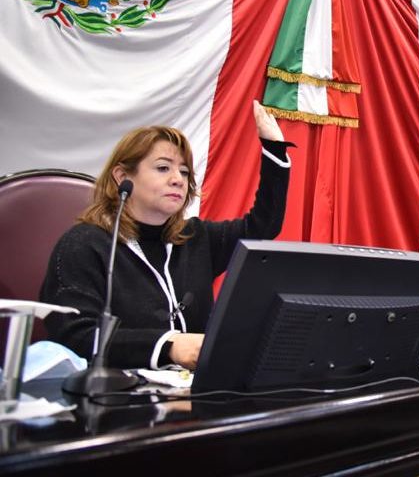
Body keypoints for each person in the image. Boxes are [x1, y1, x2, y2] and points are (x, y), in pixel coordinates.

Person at [39, 101, 291, 371]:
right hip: (118, 398)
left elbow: (262, 227)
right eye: (163, 168)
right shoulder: (85, 244)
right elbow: (74, 335)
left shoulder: (195, 237)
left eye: (184, 171)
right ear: (123, 176)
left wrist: (274, 149)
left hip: (192, 394)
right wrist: (170, 346)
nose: (178, 179)